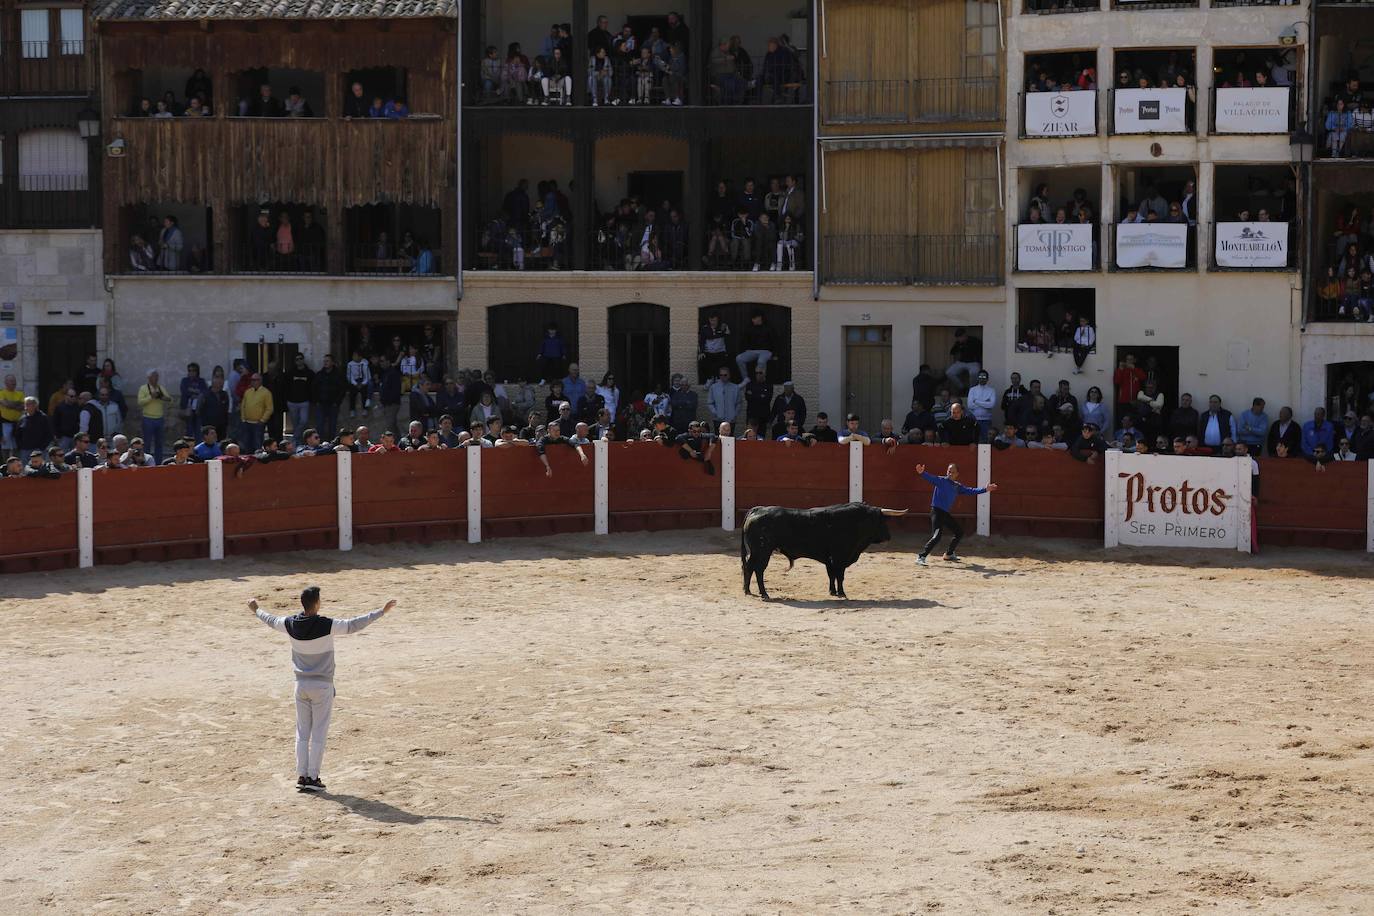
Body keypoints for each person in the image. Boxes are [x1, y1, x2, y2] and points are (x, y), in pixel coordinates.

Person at [250, 588, 398, 792]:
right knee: (319, 732)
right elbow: (353, 624)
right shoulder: (326, 625)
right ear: (317, 603)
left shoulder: (290, 624)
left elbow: (270, 619)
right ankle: (313, 776)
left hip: (300, 685)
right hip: (322, 686)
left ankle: (302, 776)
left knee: (302, 732)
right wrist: (381, 611)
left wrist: (256, 609)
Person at [914, 462, 996, 565]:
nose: (950, 473)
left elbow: (970, 491)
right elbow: (930, 478)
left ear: (957, 474)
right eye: (949, 471)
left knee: (959, 532)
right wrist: (922, 473)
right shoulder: (941, 480)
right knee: (937, 536)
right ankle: (921, 556)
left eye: (952, 472)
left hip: (945, 513)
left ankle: (949, 554)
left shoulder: (957, 486)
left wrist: (985, 489)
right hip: (937, 512)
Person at [137, 370, 174, 464]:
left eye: (157, 376)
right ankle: (146, 463)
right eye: (154, 376)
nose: (156, 379)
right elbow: (140, 402)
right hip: (147, 419)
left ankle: (158, 463)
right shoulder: (143, 388)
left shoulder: (160, 388)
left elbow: (170, 400)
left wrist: (163, 397)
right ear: (149, 378)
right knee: (147, 443)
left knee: (159, 443)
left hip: (159, 419)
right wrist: (151, 397)